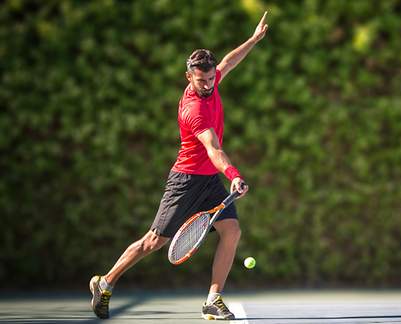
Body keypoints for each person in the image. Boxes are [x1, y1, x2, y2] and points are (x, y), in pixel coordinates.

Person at [89, 11, 269, 321]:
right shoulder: (193, 109)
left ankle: (213, 300)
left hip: (210, 181)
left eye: (211, 78)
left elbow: (228, 62)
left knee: (232, 230)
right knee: (153, 242)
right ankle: (106, 283)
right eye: (202, 80)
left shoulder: (213, 79)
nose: (209, 84)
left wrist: (252, 40)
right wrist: (234, 174)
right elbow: (213, 148)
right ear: (189, 77)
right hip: (185, 181)